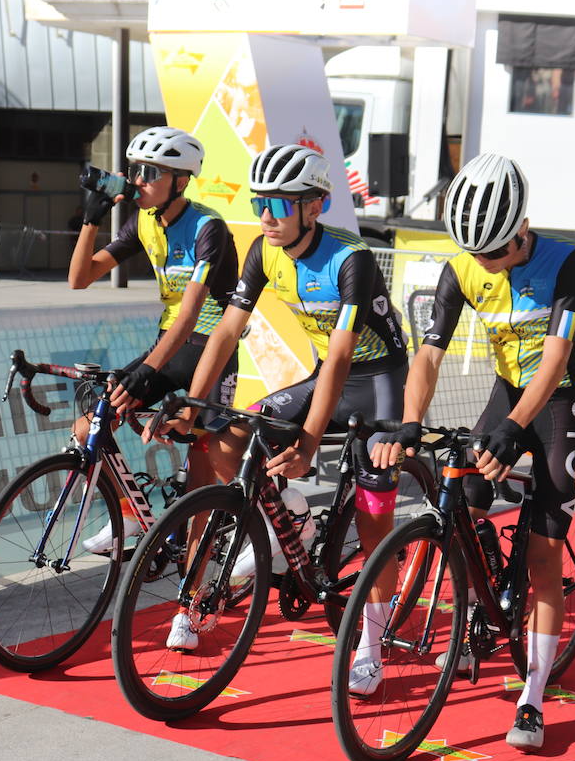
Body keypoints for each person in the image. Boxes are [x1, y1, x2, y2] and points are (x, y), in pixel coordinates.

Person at [372, 152, 575, 752]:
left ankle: (533, 695)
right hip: (508, 390)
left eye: (494, 254)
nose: (484, 265)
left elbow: (554, 360)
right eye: (475, 255)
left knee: (545, 555)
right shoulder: (462, 270)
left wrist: (515, 430)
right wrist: (410, 423)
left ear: (522, 230)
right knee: (466, 493)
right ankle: (486, 594)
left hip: (558, 399)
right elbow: (428, 355)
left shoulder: (566, 261)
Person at [159, 143, 408, 662]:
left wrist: (309, 443)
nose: (266, 216)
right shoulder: (263, 248)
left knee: (372, 520)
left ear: (313, 207)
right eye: (258, 204)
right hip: (325, 376)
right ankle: (288, 516)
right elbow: (227, 329)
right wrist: (193, 403)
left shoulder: (351, 259)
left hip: (377, 379)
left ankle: (371, 645)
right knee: (227, 439)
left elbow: (341, 358)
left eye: (279, 204)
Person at [67, 126, 241, 574]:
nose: (136, 179)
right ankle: (129, 512)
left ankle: (193, 597)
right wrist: (90, 217)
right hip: (170, 347)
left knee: (203, 473)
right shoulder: (142, 221)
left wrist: (145, 370)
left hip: (210, 351)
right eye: (134, 170)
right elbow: (79, 278)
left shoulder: (209, 228)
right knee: (89, 426)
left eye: (149, 173)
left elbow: (190, 315)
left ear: (180, 181)